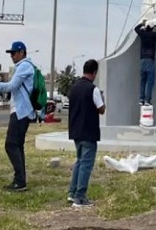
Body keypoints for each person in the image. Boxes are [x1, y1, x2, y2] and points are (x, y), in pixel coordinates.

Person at [0, 40, 35, 191]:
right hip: (22, 110)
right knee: (17, 145)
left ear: (22, 53)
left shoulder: (24, 66)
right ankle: (20, 179)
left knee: (11, 144)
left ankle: (19, 180)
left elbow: (12, 86)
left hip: (21, 110)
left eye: (13, 53)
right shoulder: (23, 67)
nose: (11, 56)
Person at [67, 59, 106, 208]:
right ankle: (80, 197)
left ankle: (72, 192)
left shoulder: (74, 87)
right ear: (95, 72)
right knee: (86, 164)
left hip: (76, 130)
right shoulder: (93, 89)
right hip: (88, 131)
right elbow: (101, 109)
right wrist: (102, 99)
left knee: (79, 161)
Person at [136, 17, 156, 105]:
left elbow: (136, 29)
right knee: (150, 81)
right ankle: (147, 100)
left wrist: (142, 23)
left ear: (146, 27)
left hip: (142, 60)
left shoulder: (142, 34)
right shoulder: (153, 35)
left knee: (143, 80)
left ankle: (141, 99)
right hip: (150, 60)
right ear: (152, 27)